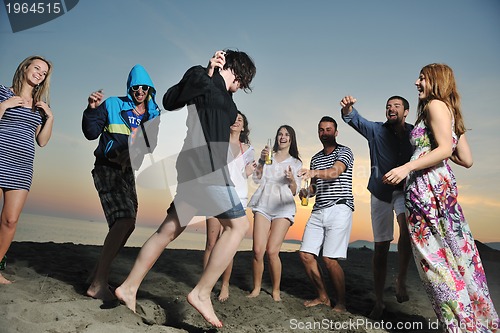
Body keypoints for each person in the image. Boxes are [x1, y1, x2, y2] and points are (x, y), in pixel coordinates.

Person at [115, 49, 256, 328]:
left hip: (202, 169)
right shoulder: (203, 76)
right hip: (204, 166)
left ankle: (128, 287)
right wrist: (206, 72)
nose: (240, 87)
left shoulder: (228, 99)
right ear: (238, 72)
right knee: (238, 227)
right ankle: (202, 293)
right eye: (243, 80)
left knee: (168, 230)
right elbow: (170, 100)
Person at [383, 63, 499, 332]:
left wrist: (406, 167)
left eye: (422, 78)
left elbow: (446, 149)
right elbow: (466, 159)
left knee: (435, 265)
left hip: (425, 189)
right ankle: (476, 325)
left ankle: (457, 327)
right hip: (442, 190)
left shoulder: (434, 105)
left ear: (435, 81)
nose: (416, 82)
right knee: (459, 260)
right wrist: (448, 140)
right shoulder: (448, 110)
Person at [82, 64, 161, 301]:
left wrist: (141, 139)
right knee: (123, 219)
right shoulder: (113, 104)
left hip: (128, 172)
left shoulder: (152, 113)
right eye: (135, 87)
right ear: (130, 88)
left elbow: (151, 147)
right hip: (107, 167)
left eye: (144, 87)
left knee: (128, 224)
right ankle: (97, 284)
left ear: (150, 89)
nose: (139, 91)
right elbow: (90, 133)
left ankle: (96, 275)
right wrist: (91, 110)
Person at [340, 95, 414, 319]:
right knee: (381, 247)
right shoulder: (375, 130)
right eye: (388, 106)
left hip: (404, 190)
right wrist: (348, 108)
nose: (391, 109)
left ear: (406, 111)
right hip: (379, 193)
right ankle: (379, 302)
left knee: (407, 229)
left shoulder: (415, 133)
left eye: (396, 106)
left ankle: (401, 278)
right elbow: (353, 118)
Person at [0, 55, 54, 285]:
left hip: (22, 168)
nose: (40, 74)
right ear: (24, 68)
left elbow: (42, 141)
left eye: (44, 73)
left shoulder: (41, 106)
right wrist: (4, 105)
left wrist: (49, 117)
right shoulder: (3, 93)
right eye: (37, 68)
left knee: (10, 220)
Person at [297, 116, 354, 313]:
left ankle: (341, 302)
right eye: (321, 130)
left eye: (329, 129)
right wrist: (307, 192)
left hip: (340, 207)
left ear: (336, 132)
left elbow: (335, 172)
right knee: (305, 254)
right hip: (319, 209)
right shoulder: (316, 158)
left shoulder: (344, 152)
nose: (325, 133)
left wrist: (313, 173)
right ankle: (322, 296)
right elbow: (314, 188)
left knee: (330, 259)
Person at [203, 110, 256, 302]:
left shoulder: (248, 149)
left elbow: (249, 174)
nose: (236, 121)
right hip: (215, 194)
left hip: (238, 197)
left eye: (240, 119)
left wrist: (251, 170)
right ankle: (205, 286)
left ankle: (224, 285)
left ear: (243, 127)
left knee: (228, 244)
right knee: (211, 242)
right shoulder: (219, 142)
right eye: (233, 118)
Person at [247, 125, 302, 301]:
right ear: (276, 137)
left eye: (286, 135)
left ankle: (276, 290)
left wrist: (292, 179)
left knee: (271, 251)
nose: (283, 137)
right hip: (263, 203)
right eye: (280, 134)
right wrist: (262, 161)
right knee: (257, 250)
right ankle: (256, 288)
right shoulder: (267, 156)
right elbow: (256, 179)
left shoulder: (296, 163)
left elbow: (295, 191)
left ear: (291, 139)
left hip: (283, 207)